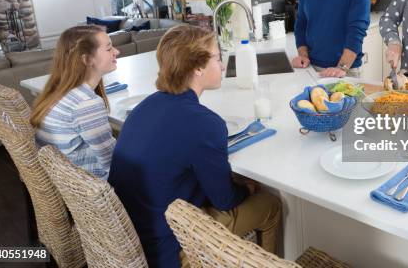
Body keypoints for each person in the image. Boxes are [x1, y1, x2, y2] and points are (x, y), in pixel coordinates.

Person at [109, 25, 281, 268]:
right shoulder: (206, 124)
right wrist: (248, 189)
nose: (222, 66)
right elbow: (225, 200)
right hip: (168, 249)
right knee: (271, 204)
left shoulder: (144, 106)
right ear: (198, 67)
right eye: (218, 58)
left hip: (129, 238)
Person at [31, 25, 119, 179]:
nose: (116, 52)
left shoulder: (58, 91)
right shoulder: (85, 104)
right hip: (93, 190)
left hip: (66, 182)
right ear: (87, 59)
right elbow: (113, 164)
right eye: (109, 48)